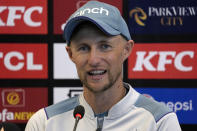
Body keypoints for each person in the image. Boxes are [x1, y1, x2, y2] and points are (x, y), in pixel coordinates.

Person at [25, 1, 181, 131]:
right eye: (83, 48)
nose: (93, 60)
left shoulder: (160, 121)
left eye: (105, 46)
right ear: (70, 54)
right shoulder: (44, 123)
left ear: (126, 50)